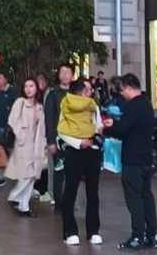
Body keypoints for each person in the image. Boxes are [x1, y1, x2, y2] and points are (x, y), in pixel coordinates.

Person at [56, 77, 105, 246]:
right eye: (88, 89)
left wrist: (95, 138)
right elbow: (61, 130)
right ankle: (69, 231)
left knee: (93, 192)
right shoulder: (66, 105)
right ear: (81, 91)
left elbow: (98, 125)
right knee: (70, 191)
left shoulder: (93, 106)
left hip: (92, 151)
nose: (91, 92)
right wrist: (78, 143)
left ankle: (93, 231)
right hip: (73, 151)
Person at [113, 73, 157, 250]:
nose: (121, 93)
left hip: (132, 159)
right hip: (146, 158)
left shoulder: (132, 106)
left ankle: (137, 236)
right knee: (146, 196)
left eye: (122, 89)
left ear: (129, 87)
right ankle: (152, 235)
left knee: (134, 198)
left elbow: (122, 129)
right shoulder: (146, 104)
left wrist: (108, 128)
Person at [2, 76, 47, 216]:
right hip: (23, 144)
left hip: (36, 144)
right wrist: (21, 134)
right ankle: (14, 197)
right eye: (26, 86)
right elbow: (12, 120)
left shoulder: (39, 106)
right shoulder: (20, 102)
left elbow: (42, 126)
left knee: (32, 175)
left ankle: (24, 205)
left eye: (31, 86)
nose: (28, 89)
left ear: (36, 88)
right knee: (26, 174)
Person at [45, 64, 75, 207]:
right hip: (59, 140)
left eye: (68, 72)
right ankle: (59, 202)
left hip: (75, 140)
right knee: (59, 172)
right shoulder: (53, 94)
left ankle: (70, 202)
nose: (65, 75)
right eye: (62, 72)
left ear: (72, 75)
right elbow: (49, 119)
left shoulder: (77, 93)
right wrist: (51, 141)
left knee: (73, 173)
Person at [0, 73, 18, 188]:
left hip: (9, 126)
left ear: (6, 79)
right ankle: (2, 171)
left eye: (0, 78)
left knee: (11, 148)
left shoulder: (12, 91)